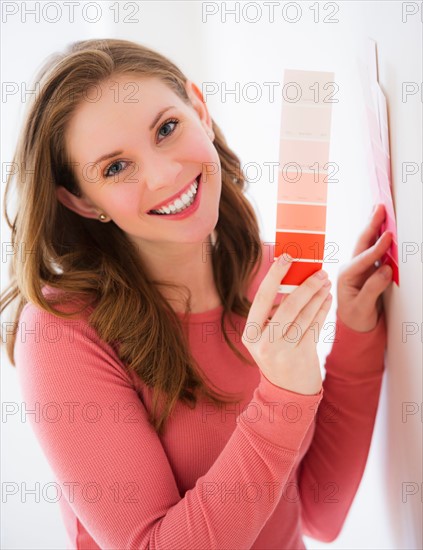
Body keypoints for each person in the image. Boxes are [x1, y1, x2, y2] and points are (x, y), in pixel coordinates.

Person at [1, 38, 394, 550]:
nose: (164, 175)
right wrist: (280, 399)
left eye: (167, 129)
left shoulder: (272, 272)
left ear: (200, 111)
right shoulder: (61, 330)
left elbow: (320, 512)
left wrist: (357, 335)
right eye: (115, 168)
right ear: (79, 200)